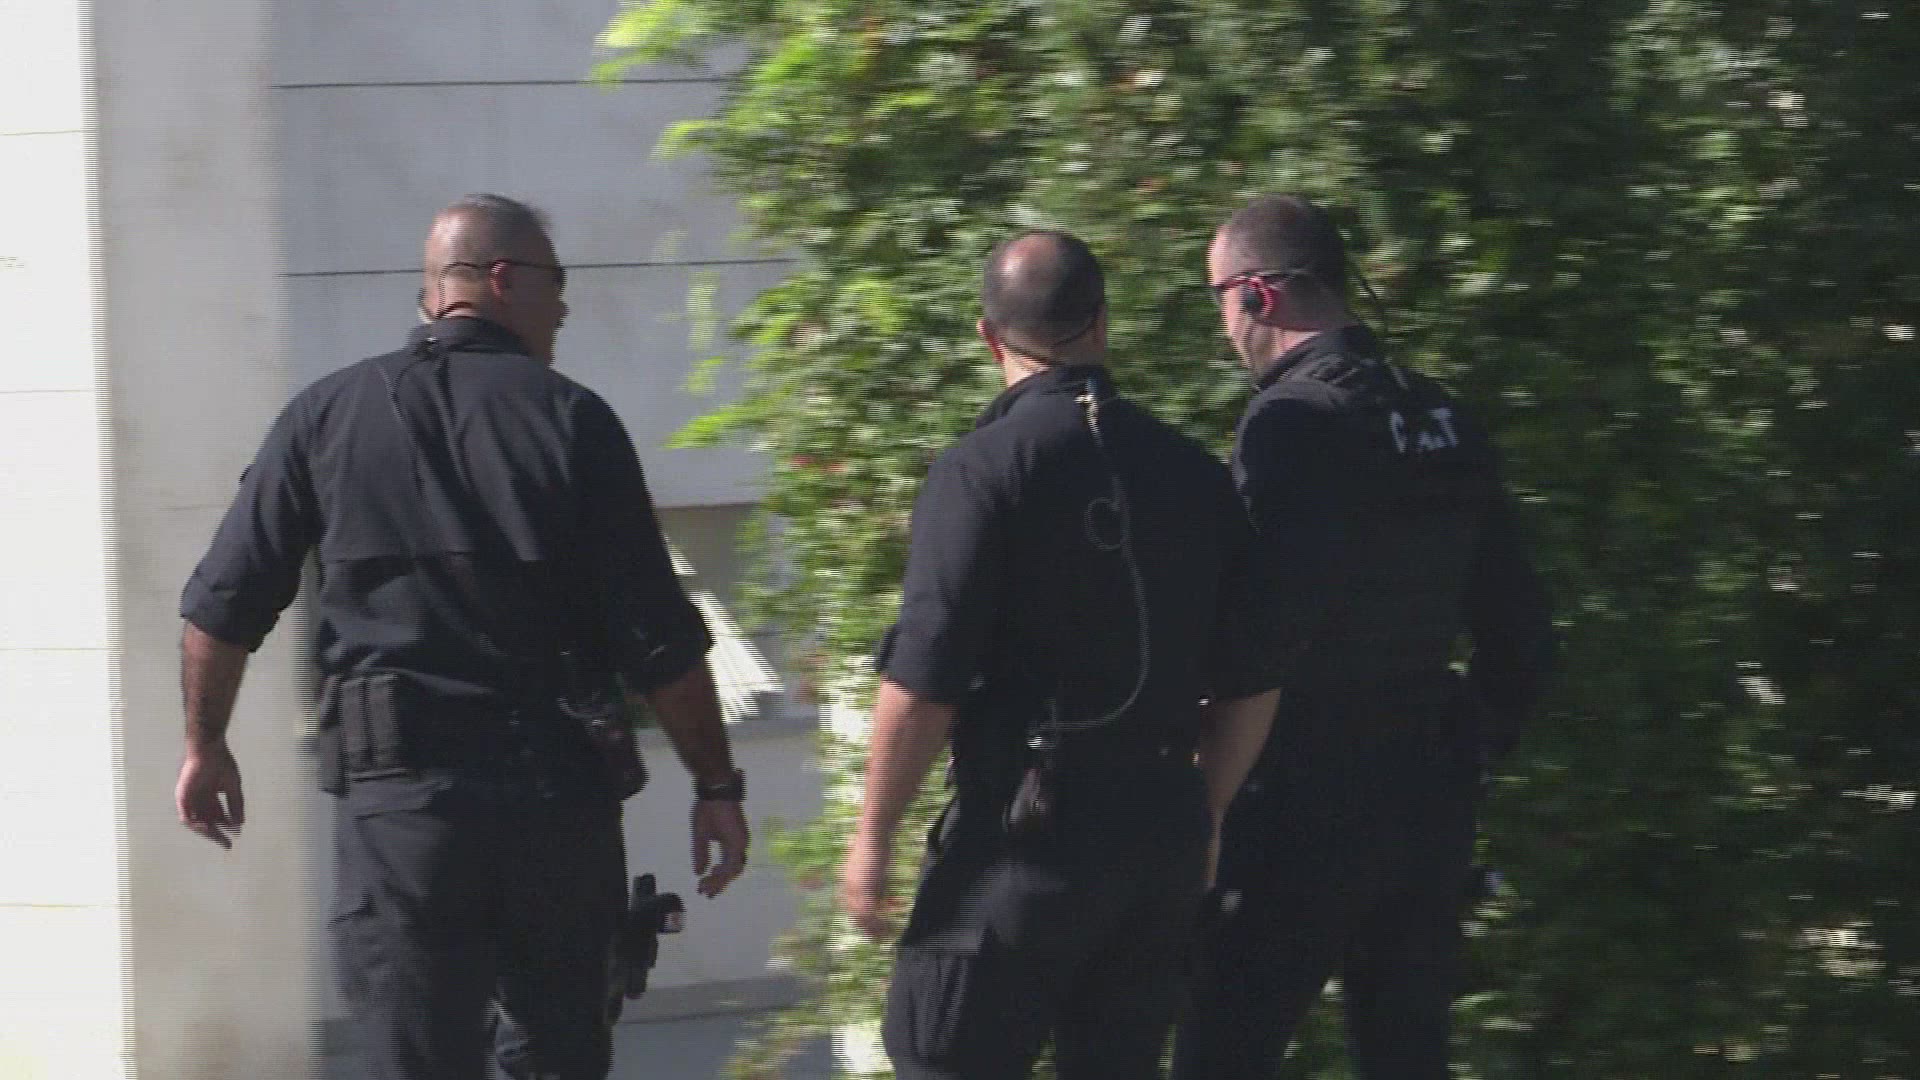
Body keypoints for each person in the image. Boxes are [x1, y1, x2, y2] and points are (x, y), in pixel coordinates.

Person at [174, 194, 750, 1080]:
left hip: (403, 817)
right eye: (556, 282)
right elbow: (658, 638)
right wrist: (715, 784)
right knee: (557, 1056)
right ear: (502, 279)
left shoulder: (325, 418)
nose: (565, 306)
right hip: (553, 805)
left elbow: (221, 607)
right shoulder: (572, 421)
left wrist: (205, 744)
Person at [841, 230, 1289, 1080]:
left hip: (1024, 842)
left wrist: (873, 837)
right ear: (1103, 323)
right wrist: (1205, 814)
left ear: (989, 337)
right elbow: (1253, 678)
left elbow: (926, 682)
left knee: (937, 1051)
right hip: (1157, 847)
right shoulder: (1195, 474)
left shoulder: (981, 471)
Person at [1172, 194, 1556, 1080]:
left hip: (1297, 812)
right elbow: (1522, 637)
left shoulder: (1292, 425)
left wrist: (1205, 804)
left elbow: (1259, 637)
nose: (1223, 327)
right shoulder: (1444, 418)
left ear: (1258, 294)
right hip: (1425, 805)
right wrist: (1466, 753)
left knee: (1221, 1054)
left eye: (1219, 299)